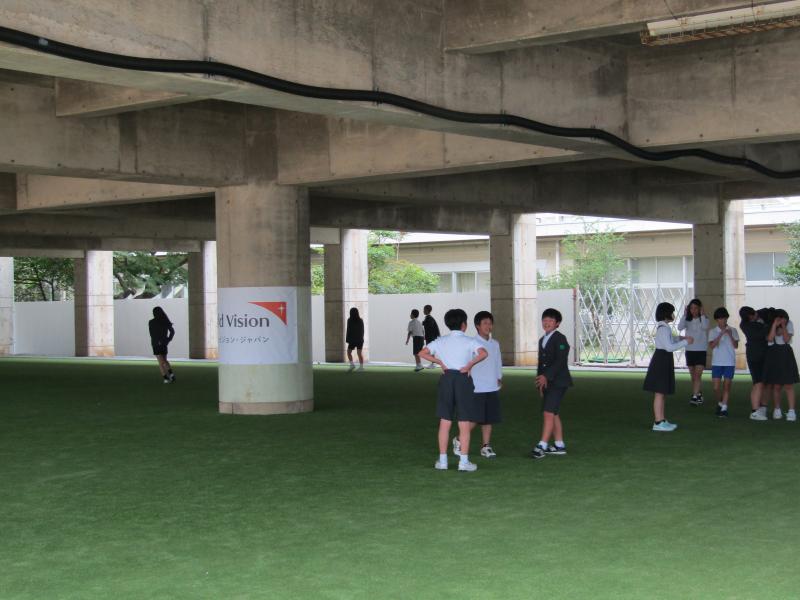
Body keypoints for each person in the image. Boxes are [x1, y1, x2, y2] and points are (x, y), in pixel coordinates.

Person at [418, 309, 488, 472]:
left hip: (447, 378)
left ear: (448, 324)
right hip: (463, 379)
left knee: (445, 421)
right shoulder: (470, 341)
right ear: (464, 324)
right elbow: (484, 353)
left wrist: (440, 362)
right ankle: (463, 462)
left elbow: (422, 353)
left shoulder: (441, 341)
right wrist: (469, 365)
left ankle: (443, 461)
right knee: (464, 422)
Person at [452, 310, 502, 459]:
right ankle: (459, 439)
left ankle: (486, 446)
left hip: (492, 386)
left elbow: (498, 362)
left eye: (490, 323)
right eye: (485, 323)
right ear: (477, 326)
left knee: (488, 419)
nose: (488, 326)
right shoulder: (471, 343)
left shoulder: (495, 344)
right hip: (476, 387)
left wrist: (499, 377)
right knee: (474, 418)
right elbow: (464, 363)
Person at [643, 302, 692, 432]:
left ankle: (662, 419)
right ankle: (658, 422)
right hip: (661, 360)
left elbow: (669, 341)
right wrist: (685, 342)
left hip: (663, 359)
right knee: (660, 393)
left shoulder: (664, 328)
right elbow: (669, 347)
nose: (673, 315)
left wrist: (679, 338)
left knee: (662, 392)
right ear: (666, 314)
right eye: (672, 312)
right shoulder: (663, 329)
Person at [531, 308, 573, 459]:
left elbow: (560, 361)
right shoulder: (542, 340)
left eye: (550, 320)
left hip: (558, 382)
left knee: (548, 413)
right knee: (553, 413)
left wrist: (546, 377)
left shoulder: (560, 339)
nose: (546, 323)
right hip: (547, 382)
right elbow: (541, 363)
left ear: (557, 323)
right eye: (544, 320)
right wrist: (540, 382)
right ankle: (559, 445)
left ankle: (542, 445)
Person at [763, 308, 799, 421]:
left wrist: (783, 326)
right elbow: (770, 339)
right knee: (777, 385)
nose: (783, 320)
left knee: (789, 385)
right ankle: (777, 410)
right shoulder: (769, 325)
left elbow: (787, 339)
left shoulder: (789, 324)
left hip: (786, 355)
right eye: (780, 319)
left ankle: (791, 411)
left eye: (785, 319)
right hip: (774, 356)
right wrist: (774, 325)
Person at [678, 298, 710, 406]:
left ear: (700, 308)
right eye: (691, 308)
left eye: (696, 308)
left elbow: (705, 327)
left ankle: (695, 396)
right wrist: (684, 315)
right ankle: (699, 394)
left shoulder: (704, 319)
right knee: (693, 376)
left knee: (697, 375)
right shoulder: (687, 320)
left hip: (701, 350)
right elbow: (679, 327)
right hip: (689, 350)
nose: (693, 310)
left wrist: (702, 314)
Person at [708, 307, 739, 418]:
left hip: (729, 362)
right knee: (716, 387)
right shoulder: (713, 331)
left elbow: (736, 346)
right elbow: (712, 346)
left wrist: (729, 334)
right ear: (717, 320)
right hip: (717, 362)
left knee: (727, 385)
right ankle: (720, 403)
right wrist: (721, 334)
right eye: (721, 319)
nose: (723, 321)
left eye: (725, 318)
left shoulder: (733, 330)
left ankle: (724, 407)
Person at [739, 306, 768, 421]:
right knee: (758, 383)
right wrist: (766, 324)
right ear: (750, 316)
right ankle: (755, 411)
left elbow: (764, 311)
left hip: (760, 355)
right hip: (755, 356)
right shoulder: (747, 326)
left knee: (761, 383)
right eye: (753, 314)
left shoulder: (751, 322)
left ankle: (760, 409)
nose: (756, 314)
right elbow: (761, 334)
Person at [149, 306, 175, 384]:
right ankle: (171, 375)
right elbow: (172, 332)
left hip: (156, 344)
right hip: (164, 343)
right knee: (164, 360)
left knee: (161, 362)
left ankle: (166, 378)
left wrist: (158, 341)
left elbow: (151, 334)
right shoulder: (165, 321)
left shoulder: (151, 322)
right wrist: (168, 339)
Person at [345, 307, 365, 372]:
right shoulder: (350, 320)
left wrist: (348, 339)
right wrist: (348, 339)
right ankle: (353, 365)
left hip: (357, 339)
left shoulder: (359, 320)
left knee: (357, 353)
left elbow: (361, 330)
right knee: (350, 352)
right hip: (355, 340)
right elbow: (349, 330)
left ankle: (360, 367)